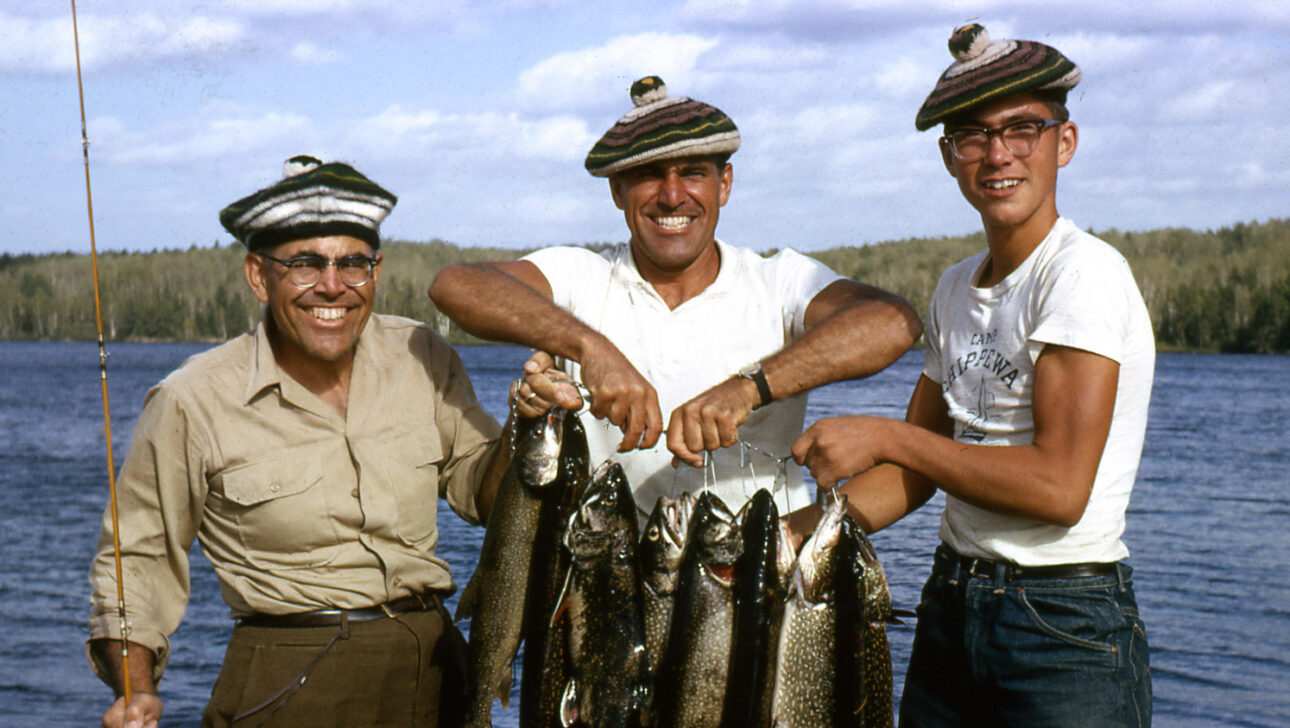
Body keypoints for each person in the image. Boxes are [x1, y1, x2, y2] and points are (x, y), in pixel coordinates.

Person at [792, 25, 1154, 725]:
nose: (998, 155)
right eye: (973, 136)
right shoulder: (956, 286)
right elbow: (919, 477)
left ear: (1064, 143)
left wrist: (884, 436)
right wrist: (787, 537)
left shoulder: (1083, 276)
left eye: (1023, 129)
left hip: (1064, 625)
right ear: (949, 157)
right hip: (950, 606)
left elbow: (1058, 488)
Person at [87, 155, 512, 728]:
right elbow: (138, 558)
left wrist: (530, 426)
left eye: (353, 263)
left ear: (376, 272)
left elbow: (490, 498)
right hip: (287, 679)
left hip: (437, 669)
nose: (332, 286)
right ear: (259, 276)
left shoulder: (422, 354)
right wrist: (135, 691)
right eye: (306, 264)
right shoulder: (192, 399)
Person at [430, 76, 922, 518]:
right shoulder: (582, 276)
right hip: (604, 584)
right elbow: (455, 285)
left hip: (748, 582)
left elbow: (893, 321)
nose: (671, 196)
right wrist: (592, 349)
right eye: (648, 174)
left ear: (723, 184)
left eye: (692, 172)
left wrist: (748, 389)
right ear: (617, 191)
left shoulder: (780, 281)